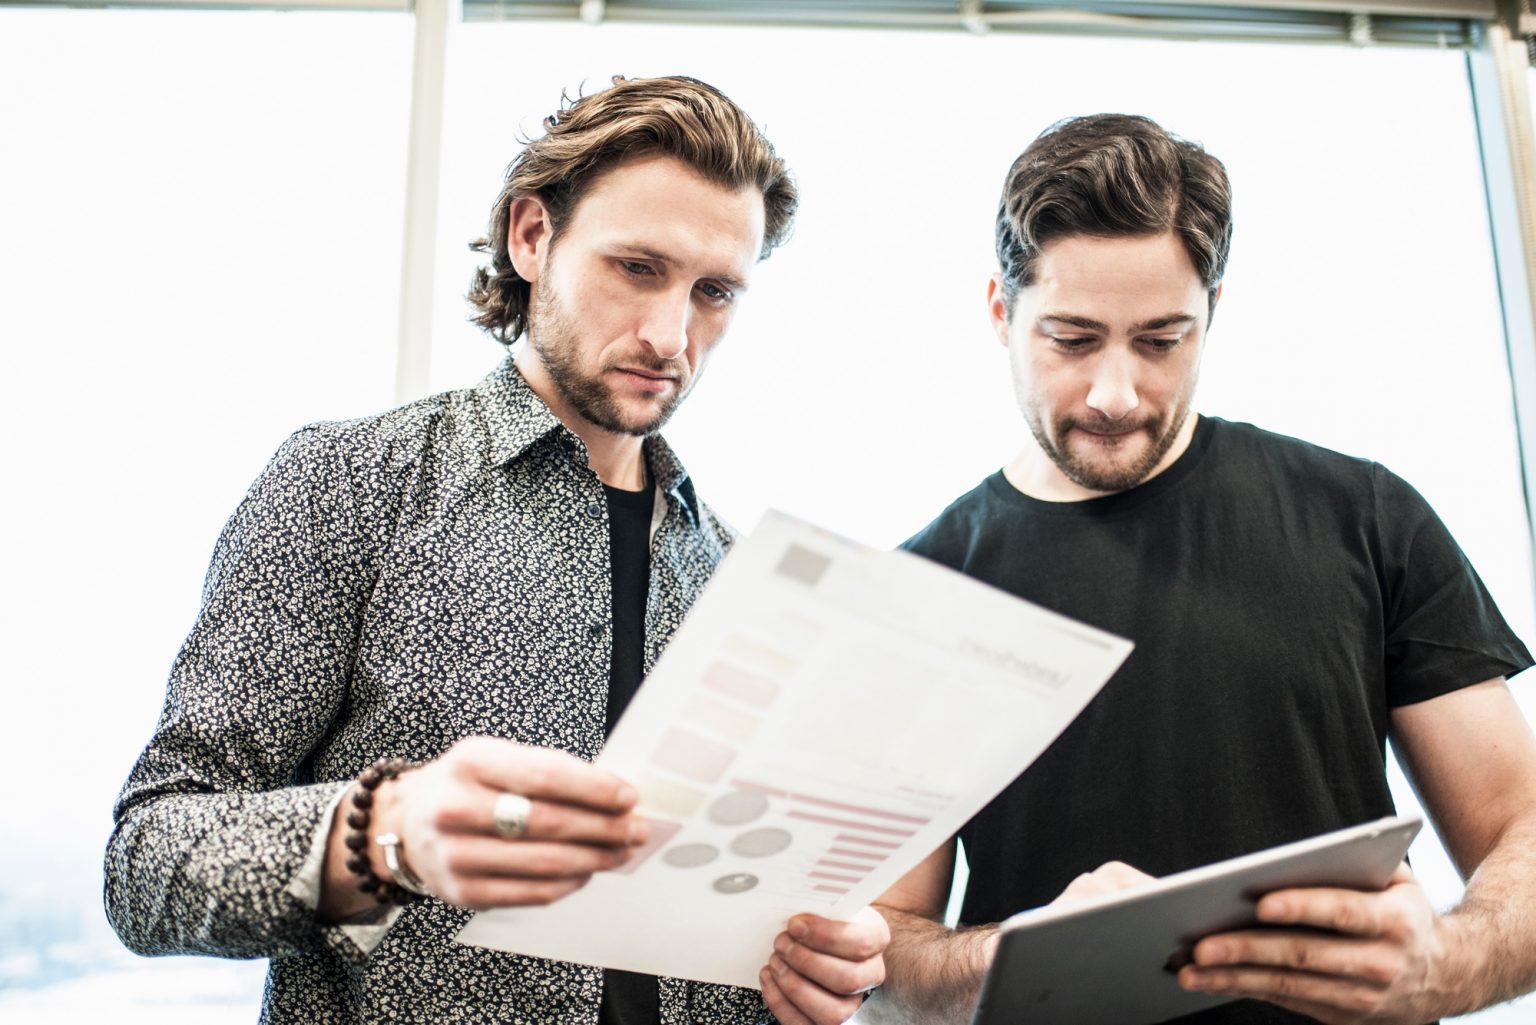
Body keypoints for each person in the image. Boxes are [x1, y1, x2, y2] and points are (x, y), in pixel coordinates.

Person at [104, 74, 886, 1025]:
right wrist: (380, 831)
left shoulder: (734, 573)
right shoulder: (350, 481)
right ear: (530, 236)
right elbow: (148, 865)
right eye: (637, 267)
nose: (671, 335)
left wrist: (807, 971)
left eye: (714, 292)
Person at [845, 114, 1536, 1025]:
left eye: (1162, 340)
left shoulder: (1367, 517)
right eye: (1072, 338)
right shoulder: (923, 591)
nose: (1116, 394)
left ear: (1212, 313)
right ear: (1001, 313)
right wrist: (1017, 956)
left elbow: (1520, 829)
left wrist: (1447, 960)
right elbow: (883, 952)